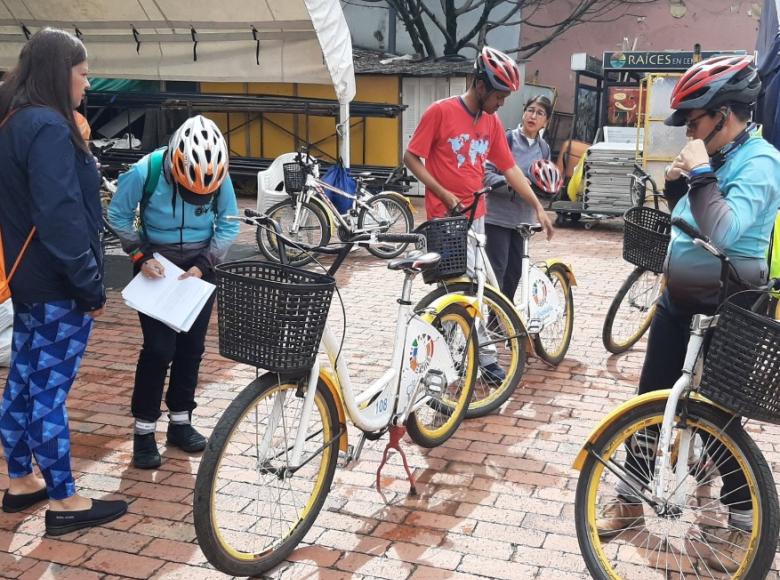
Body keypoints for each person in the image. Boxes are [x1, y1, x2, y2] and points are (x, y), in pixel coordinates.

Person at [597, 54, 780, 572]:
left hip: (732, 306)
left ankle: (745, 519)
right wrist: (682, 184)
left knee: (722, 414)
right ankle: (630, 494)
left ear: (724, 114)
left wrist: (698, 172)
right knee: (651, 398)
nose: (689, 132)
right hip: (679, 299)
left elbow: (725, 229)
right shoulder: (720, 157)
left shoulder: (761, 161)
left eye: (695, 122)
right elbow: (689, 219)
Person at [0, 28, 128, 535]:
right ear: (60, 74)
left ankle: (19, 481)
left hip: (28, 280)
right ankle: (65, 500)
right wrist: (90, 285)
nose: (88, 83)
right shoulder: (51, 128)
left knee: (23, 383)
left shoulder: (12, 121)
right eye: (82, 72)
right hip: (58, 285)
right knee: (48, 392)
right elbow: (61, 215)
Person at [404, 46, 554, 385]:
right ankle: (468, 360)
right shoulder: (440, 112)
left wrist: (538, 206)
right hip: (445, 221)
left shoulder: (491, 123)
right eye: (499, 95)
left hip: (478, 217)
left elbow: (510, 169)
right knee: (462, 291)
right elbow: (411, 158)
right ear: (481, 85)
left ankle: (466, 356)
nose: (502, 103)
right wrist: (443, 192)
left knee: (481, 289)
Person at [108, 115, 239, 469]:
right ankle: (143, 431)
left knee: (191, 348)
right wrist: (140, 253)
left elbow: (228, 221)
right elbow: (118, 214)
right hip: (157, 267)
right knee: (158, 349)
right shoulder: (145, 171)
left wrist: (206, 261)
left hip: (199, 268)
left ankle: (180, 422)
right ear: (174, 164)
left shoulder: (218, 174)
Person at [483, 95, 557, 300]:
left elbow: (543, 179)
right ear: (523, 113)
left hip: (523, 221)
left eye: (540, 113)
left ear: (546, 121)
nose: (533, 116)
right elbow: (486, 175)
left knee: (514, 274)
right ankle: (489, 322)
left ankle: (500, 325)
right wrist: (514, 182)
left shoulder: (544, 148)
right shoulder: (507, 139)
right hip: (497, 218)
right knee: (496, 273)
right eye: (530, 110)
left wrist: (548, 188)